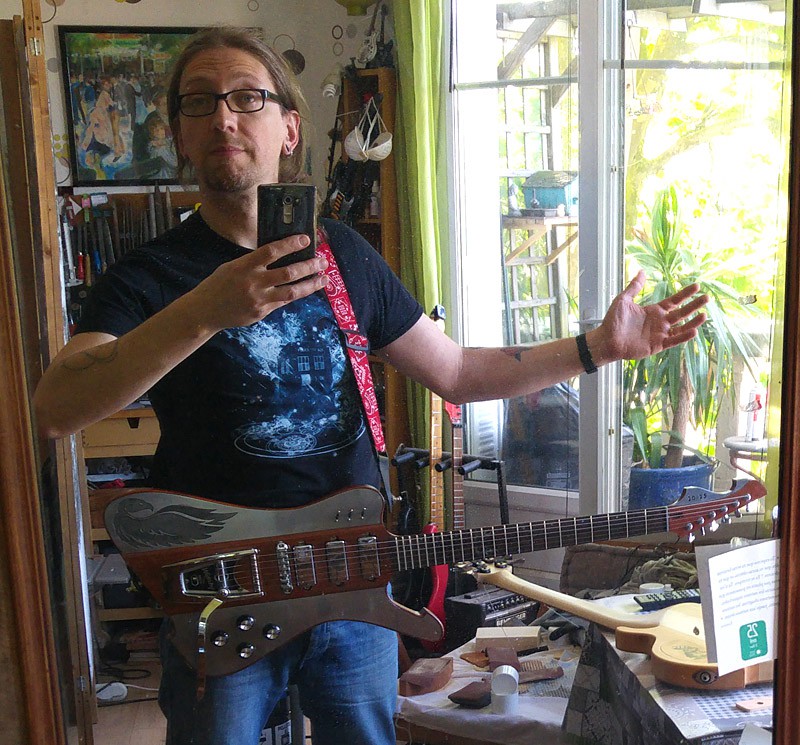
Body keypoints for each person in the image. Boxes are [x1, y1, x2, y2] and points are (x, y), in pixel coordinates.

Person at [33, 26, 708, 745]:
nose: (224, 117)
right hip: (224, 594)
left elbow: (455, 371)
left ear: (289, 128)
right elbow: (57, 408)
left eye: (247, 97)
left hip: (353, 583)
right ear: (178, 134)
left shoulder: (344, 255)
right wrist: (205, 311)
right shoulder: (146, 276)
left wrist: (597, 347)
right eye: (200, 102)